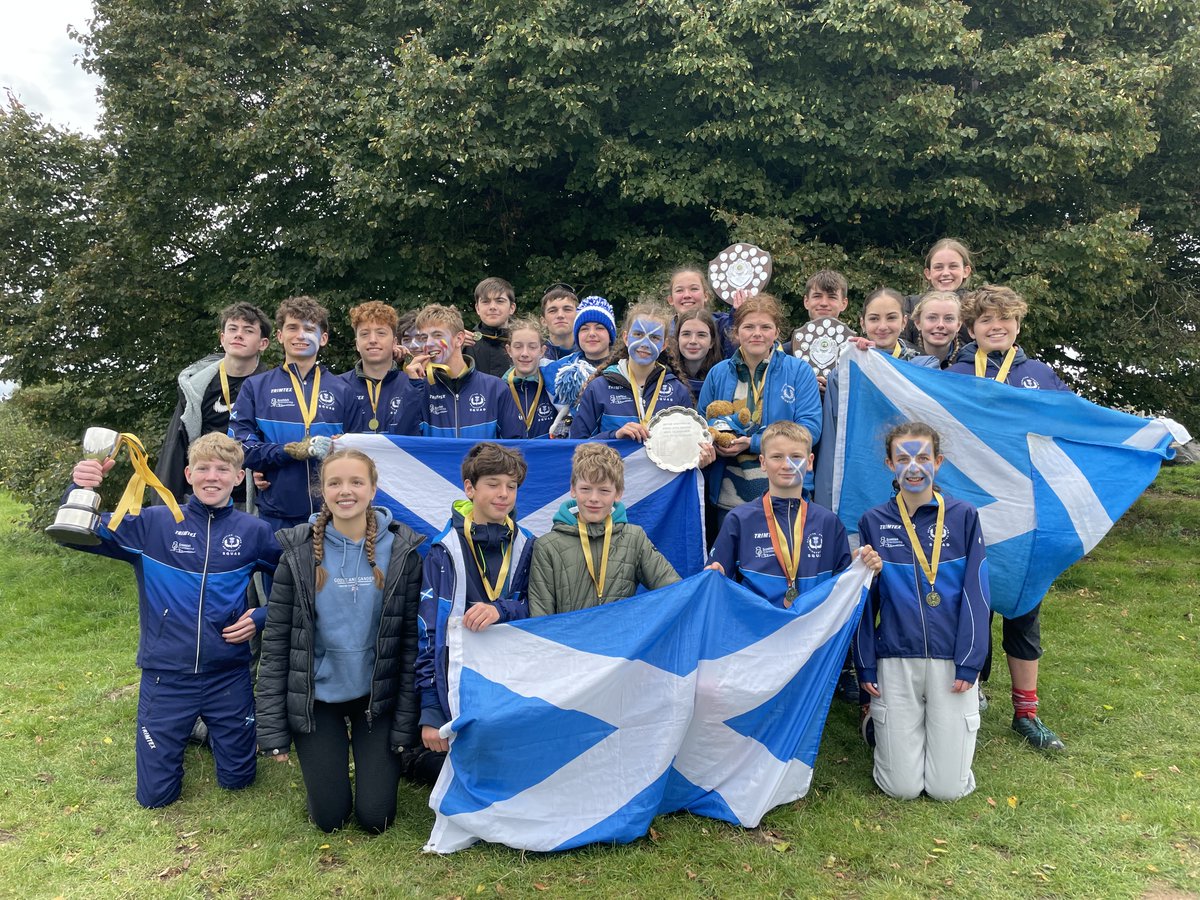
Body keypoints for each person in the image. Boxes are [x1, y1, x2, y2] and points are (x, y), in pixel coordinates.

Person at [65, 433, 280, 808]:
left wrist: (262, 616)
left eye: (223, 469)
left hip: (227, 674)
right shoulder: (152, 524)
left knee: (239, 781)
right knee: (155, 798)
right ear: (188, 474)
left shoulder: (255, 532)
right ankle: (192, 729)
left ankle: (209, 731)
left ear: (239, 478)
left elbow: (299, 581)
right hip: (166, 675)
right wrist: (80, 486)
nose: (212, 477)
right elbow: (75, 533)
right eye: (203, 469)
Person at [256, 448, 423, 833]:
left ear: (373, 489)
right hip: (318, 701)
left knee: (376, 819)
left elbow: (412, 644)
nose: (345, 491)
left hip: (375, 699)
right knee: (329, 820)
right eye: (335, 483)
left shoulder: (403, 552)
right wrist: (272, 731)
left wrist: (407, 718)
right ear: (322, 490)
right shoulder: (297, 554)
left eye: (356, 482)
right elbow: (277, 643)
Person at [946, 284, 1070, 750]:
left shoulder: (1039, 373)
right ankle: (972, 693)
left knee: (1023, 607)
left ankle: (1027, 712)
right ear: (971, 328)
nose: (995, 327)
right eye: (985, 321)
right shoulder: (954, 372)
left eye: (1005, 319)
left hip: (1026, 508)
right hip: (971, 506)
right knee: (969, 603)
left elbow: (1072, 425)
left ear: (1018, 324)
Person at [854, 422, 990, 800]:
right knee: (902, 789)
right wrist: (865, 664)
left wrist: (969, 661)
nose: (914, 468)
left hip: (951, 658)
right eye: (903, 458)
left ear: (939, 462)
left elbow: (977, 593)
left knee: (948, 791)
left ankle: (945, 720)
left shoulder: (964, 516)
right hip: (895, 656)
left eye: (923, 458)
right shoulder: (873, 522)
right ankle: (877, 725)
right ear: (889, 465)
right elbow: (865, 600)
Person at [408, 443, 534, 785]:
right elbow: (428, 633)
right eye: (493, 484)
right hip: (458, 680)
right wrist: (432, 711)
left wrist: (501, 609)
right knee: (455, 770)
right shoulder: (442, 551)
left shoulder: (528, 545)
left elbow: (539, 610)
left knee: (513, 769)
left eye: (511, 486)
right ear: (469, 488)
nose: (503, 494)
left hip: (512, 676)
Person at [707, 421, 880, 607]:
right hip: (759, 631)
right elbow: (717, 579)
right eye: (777, 457)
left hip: (812, 630)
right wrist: (716, 574)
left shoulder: (828, 522)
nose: (787, 465)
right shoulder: (739, 519)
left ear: (810, 462)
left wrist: (860, 566)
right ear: (763, 463)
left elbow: (842, 588)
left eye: (796, 456)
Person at [229, 295, 363, 531]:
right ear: (280, 336)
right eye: (292, 327)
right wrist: (289, 451)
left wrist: (337, 448)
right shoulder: (256, 387)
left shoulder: (344, 390)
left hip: (334, 514)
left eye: (309, 328)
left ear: (323, 339)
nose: (300, 335)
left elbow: (360, 451)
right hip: (277, 516)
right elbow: (239, 448)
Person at [697, 294, 822, 533]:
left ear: (776, 333)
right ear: (736, 333)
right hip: (729, 498)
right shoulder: (718, 373)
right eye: (749, 327)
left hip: (786, 491)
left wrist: (754, 442)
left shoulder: (798, 372)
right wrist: (712, 443)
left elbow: (810, 430)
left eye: (766, 327)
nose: (757, 333)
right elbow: (701, 424)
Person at [528, 443, 679, 615]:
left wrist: (707, 580)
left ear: (618, 493)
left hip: (620, 640)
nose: (594, 498)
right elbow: (540, 618)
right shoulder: (547, 546)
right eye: (585, 489)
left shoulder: (634, 538)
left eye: (604, 490)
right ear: (572, 489)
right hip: (567, 641)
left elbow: (675, 589)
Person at [154, 302, 272, 507]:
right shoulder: (197, 388)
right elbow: (175, 449)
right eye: (232, 329)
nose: (238, 335)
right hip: (202, 494)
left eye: (248, 330)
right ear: (222, 338)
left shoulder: (272, 388)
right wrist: (166, 506)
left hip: (251, 501)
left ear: (263, 343)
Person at [569, 302, 701, 447]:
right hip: (612, 469)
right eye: (638, 334)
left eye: (654, 338)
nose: (645, 343)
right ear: (626, 338)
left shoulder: (677, 390)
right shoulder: (599, 388)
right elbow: (576, 446)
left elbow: (688, 445)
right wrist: (615, 435)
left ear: (664, 345)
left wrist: (700, 455)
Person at [403, 304, 524, 439]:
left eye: (437, 335)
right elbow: (404, 446)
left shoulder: (495, 388)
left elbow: (516, 445)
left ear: (459, 339)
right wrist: (414, 388)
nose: (429, 343)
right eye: (424, 338)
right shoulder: (420, 389)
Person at [340, 301, 420, 436]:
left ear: (395, 342)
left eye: (381, 333)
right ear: (357, 344)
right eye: (364, 334)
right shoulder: (339, 385)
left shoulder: (413, 385)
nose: (372, 340)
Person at [542, 295, 618, 436]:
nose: (592, 334)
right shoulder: (559, 370)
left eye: (600, 328)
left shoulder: (625, 368)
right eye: (584, 329)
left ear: (610, 335)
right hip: (576, 447)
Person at [903, 238, 974, 342]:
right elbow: (898, 343)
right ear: (928, 273)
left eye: (953, 266)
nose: (945, 273)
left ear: (966, 271)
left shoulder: (977, 305)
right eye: (938, 267)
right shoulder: (910, 305)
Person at [503, 317, 558, 438]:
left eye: (532, 347)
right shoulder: (499, 390)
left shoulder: (554, 388)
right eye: (518, 346)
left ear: (542, 351)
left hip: (546, 455)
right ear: (509, 350)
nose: (525, 353)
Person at [666, 265, 735, 356]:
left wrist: (738, 314)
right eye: (679, 290)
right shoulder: (662, 330)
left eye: (694, 289)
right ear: (670, 300)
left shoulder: (724, 324)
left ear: (706, 296)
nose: (687, 295)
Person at [469, 276, 517, 377]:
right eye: (486, 301)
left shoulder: (523, 344)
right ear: (477, 308)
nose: (492, 307)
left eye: (499, 301)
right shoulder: (465, 344)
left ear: (512, 308)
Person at [672, 308, 724, 398]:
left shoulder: (722, 376)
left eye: (701, 335)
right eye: (686, 334)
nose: (693, 341)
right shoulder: (665, 376)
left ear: (712, 342)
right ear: (677, 339)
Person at [909, 291, 965, 369]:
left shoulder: (968, 363)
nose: (940, 325)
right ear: (918, 323)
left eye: (949, 318)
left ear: (958, 325)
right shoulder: (905, 360)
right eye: (932, 318)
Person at [539, 284, 578, 363]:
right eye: (553, 311)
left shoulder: (591, 353)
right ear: (543, 321)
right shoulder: (534, 358)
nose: (560, 315)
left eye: (567, 309)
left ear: (578, 316)